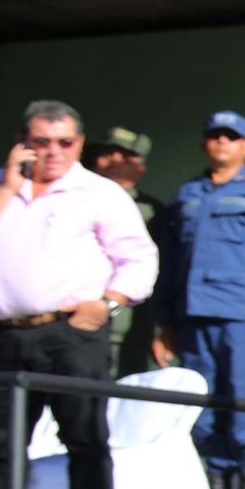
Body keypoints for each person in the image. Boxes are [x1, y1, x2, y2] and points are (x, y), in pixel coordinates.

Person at [0, 100, 158, 489]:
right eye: (41, 141)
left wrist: (106, 305)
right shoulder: (1, 186)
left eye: (64, 142)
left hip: (71, 332)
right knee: (0, 448)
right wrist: (8, 187)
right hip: (5, 335)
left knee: (85, 440)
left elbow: (140, 259)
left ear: (79, 144)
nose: (52, 152)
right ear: (23, 143)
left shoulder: (100, 193)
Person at [154, 111, 245, 489]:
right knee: (202, 402)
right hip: (192, 315)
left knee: (242, 399)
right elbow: (169, 263)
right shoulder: (187, 194)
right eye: (215, 136)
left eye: (231, 138)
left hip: (241, 315)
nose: (222, 144)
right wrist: (165, 323)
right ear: (204, 144)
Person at [91, 126, 165, 376]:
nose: (112, 161)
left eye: (123, 156)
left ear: (140, 168)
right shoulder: (72, 200)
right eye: (107, 153)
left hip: (128, 327)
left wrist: (159, 330)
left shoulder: (153, 212)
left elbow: (162, 274)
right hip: (71, 323)